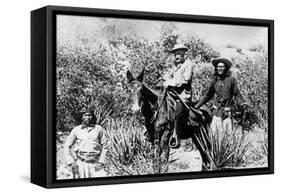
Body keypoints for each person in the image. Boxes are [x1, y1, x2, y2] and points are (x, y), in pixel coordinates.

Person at [195, 58, 245, 138]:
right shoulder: (215, 80)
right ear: (216, 68)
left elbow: (237, 94)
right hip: (216, 112)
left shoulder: (231, 80)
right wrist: (197, 106)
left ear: (226, 68)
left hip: (227, 113)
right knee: (214, 136)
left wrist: (241, 104)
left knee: (228, 135)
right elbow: (208, 95)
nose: (220, 68)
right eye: (218, 66)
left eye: (222, 67)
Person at [64, 107, 108, 178]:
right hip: (80, 164)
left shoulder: (99, 129)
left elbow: (106, 146)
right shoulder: (76, 130)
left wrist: (101, 162)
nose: (88, 117)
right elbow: (67, 146)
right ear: (82, 117)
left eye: (89, 115)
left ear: (92, 116)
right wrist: (71, 162)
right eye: (85, 115)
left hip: (96, 164)